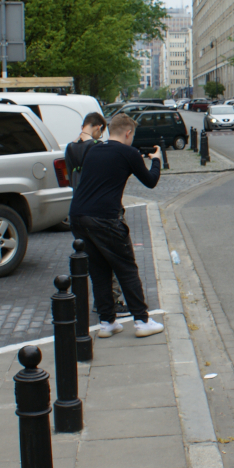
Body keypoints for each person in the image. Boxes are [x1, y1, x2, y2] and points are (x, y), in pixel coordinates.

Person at [70, 113, 164, 338]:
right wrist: (157, 159)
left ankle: (107, 322)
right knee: (126, 268)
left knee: (99, 271)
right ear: (128, 132)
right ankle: (142, 321)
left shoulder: (93, 150)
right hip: (105, 219)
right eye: (133, 135)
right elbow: (150, 181)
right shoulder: (128, 152)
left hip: (78, 217)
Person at [65, 112, 127, 314]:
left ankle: (100, 302)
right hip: (101, 209)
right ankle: (113, 300)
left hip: (78, 208)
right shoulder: (95, 147)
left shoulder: (70, 147)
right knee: (113, 257)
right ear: (98, 127)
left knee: (94, 262)